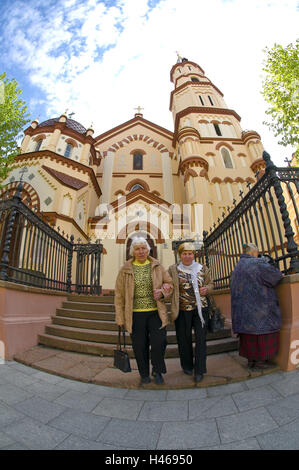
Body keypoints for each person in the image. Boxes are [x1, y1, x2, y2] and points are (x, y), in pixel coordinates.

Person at [114, 236, 173, 385]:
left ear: (148, 250)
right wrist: (120, 317)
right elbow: (119, 295)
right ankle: (144, 373)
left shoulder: (157, 266)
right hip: (135, 314)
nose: (141, 251)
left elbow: (170, 284)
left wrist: (164, 291)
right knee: (139, 346)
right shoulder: (125, 270)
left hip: (156, 312)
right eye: (137, 249)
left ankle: (157, 370)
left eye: (143, 248)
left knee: (160, 342)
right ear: (132, 252)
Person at [230, 243, 283, 370]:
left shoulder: (237, 267)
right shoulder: (257, 263)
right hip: (260, 309)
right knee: (261, 335)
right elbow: (275, 276)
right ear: (254, 252)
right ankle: (260, 362)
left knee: (248, 337)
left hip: (242, 312)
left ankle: (251, 361)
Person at [168, 242, 214, 383]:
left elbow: (211, 284)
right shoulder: (173, 269)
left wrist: (207, 289)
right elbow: (168, 284)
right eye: (184, 253)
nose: (187, 256)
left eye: (190, 253)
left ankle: (199, 370)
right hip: (182, 310)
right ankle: (187, 365)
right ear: (179, 255)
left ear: (194, 255)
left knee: (201, 339)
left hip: (201, 310)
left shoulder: (202, 268)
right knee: (183, 339)